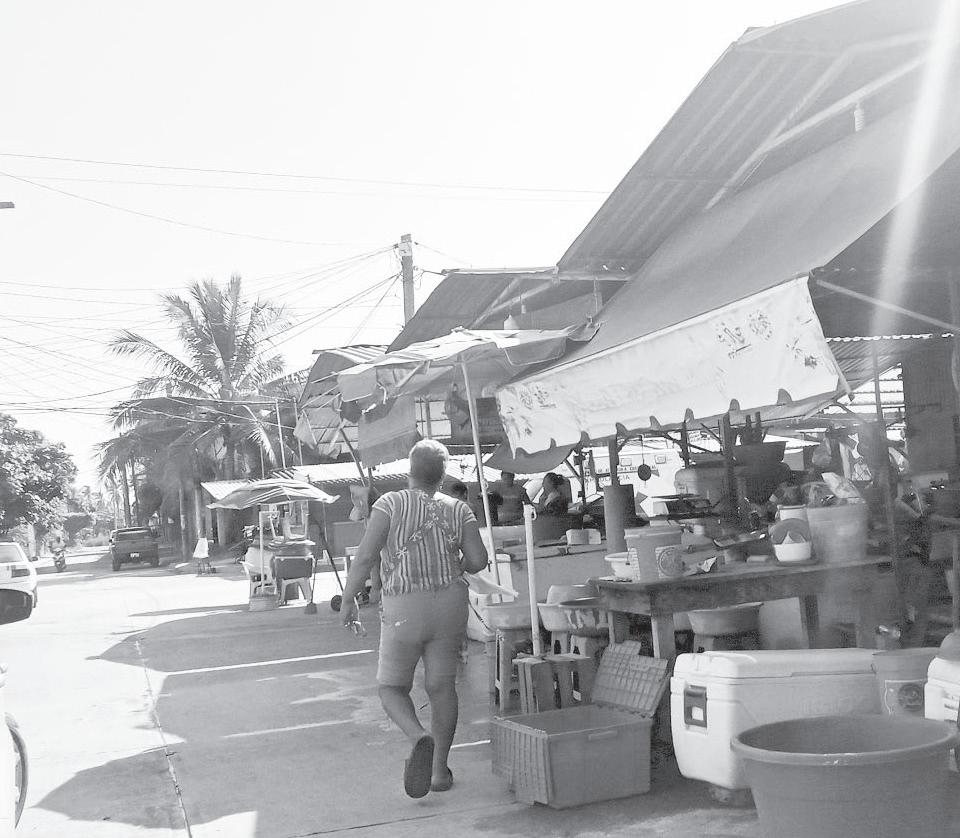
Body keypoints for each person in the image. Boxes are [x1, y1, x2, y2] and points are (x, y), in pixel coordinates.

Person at [337, 439, 488, 798]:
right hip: (450, 605)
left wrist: (348, 599)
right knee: (441, 687)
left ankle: (419, 736)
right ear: (442, 475)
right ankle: (438, 773)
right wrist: (456, 564)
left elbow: (365, 557)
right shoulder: (459, 509)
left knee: (391, 687)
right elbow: (479, 560)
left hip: (404, 608)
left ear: (410, 471)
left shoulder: (389, 504)